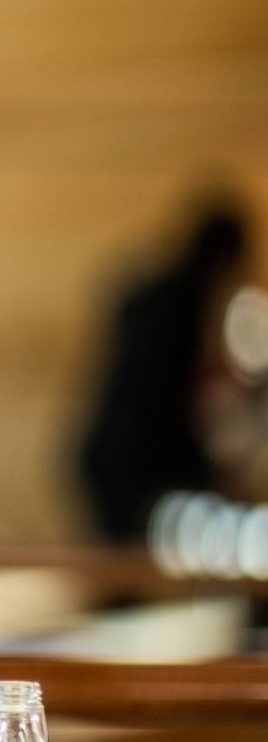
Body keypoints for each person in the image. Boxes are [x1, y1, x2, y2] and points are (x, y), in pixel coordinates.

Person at [77, 183, 255, 543]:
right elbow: (161, 405)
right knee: (131, 565)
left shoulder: (154, 294)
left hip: (106, 454)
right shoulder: (180, 309)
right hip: (128, 463)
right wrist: (206, 472)